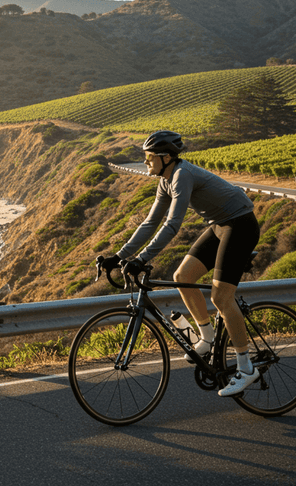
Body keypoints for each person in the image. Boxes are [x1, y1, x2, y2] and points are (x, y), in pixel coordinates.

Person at [101, 130, 261, 397]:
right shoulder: (165, 181)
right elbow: (150, 223)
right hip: (220, 225)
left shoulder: (181, 175)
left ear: (165, 157)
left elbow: (172, 224)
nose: (145, 161)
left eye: (149, 157)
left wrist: (142, 259)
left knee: (221, 298)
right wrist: (119, 256)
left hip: (241, 225)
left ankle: (246, 368)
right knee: (182, 276)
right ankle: (207, 337)